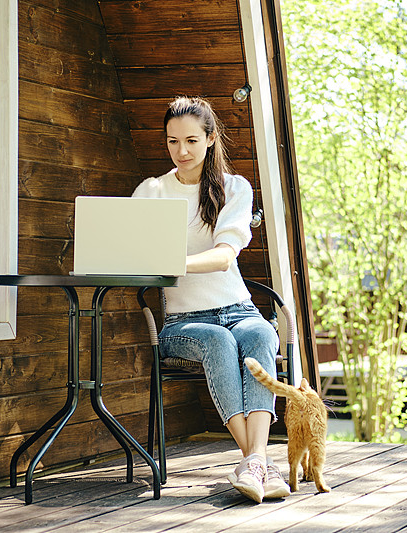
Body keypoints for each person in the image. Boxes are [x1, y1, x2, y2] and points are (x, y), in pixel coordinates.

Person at [132, 96, 290, 503]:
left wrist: (173, 262)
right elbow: (131, 254)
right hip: (184, 321)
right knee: (219, 342)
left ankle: (253, 463)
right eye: (171, 142)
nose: (181, 151)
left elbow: (224, 256)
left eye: (190, 141)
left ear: (210, 138)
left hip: (239, 309)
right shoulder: (152, 192)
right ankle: (259, 461)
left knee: (260, 336)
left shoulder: (234, 188)